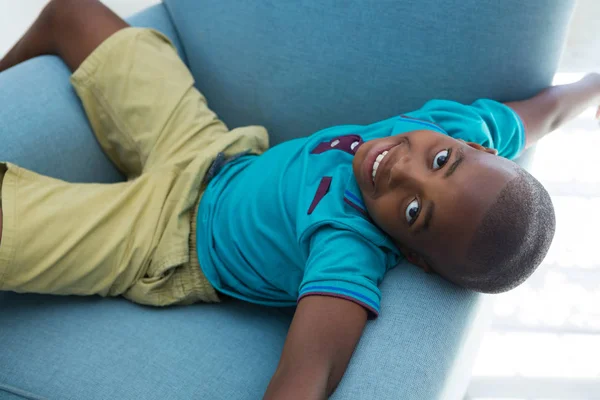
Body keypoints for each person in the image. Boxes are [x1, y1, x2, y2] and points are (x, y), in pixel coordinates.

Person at [0, 1, 597, 398]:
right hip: (213, 149)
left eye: (415, 212)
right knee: (72, 13)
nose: (402, 171)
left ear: (413, 256)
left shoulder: (348, 249)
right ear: (475, 145)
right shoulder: (464, 124)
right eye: (441, 160)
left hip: (162, 239)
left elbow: (304, 377)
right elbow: (551, 109)